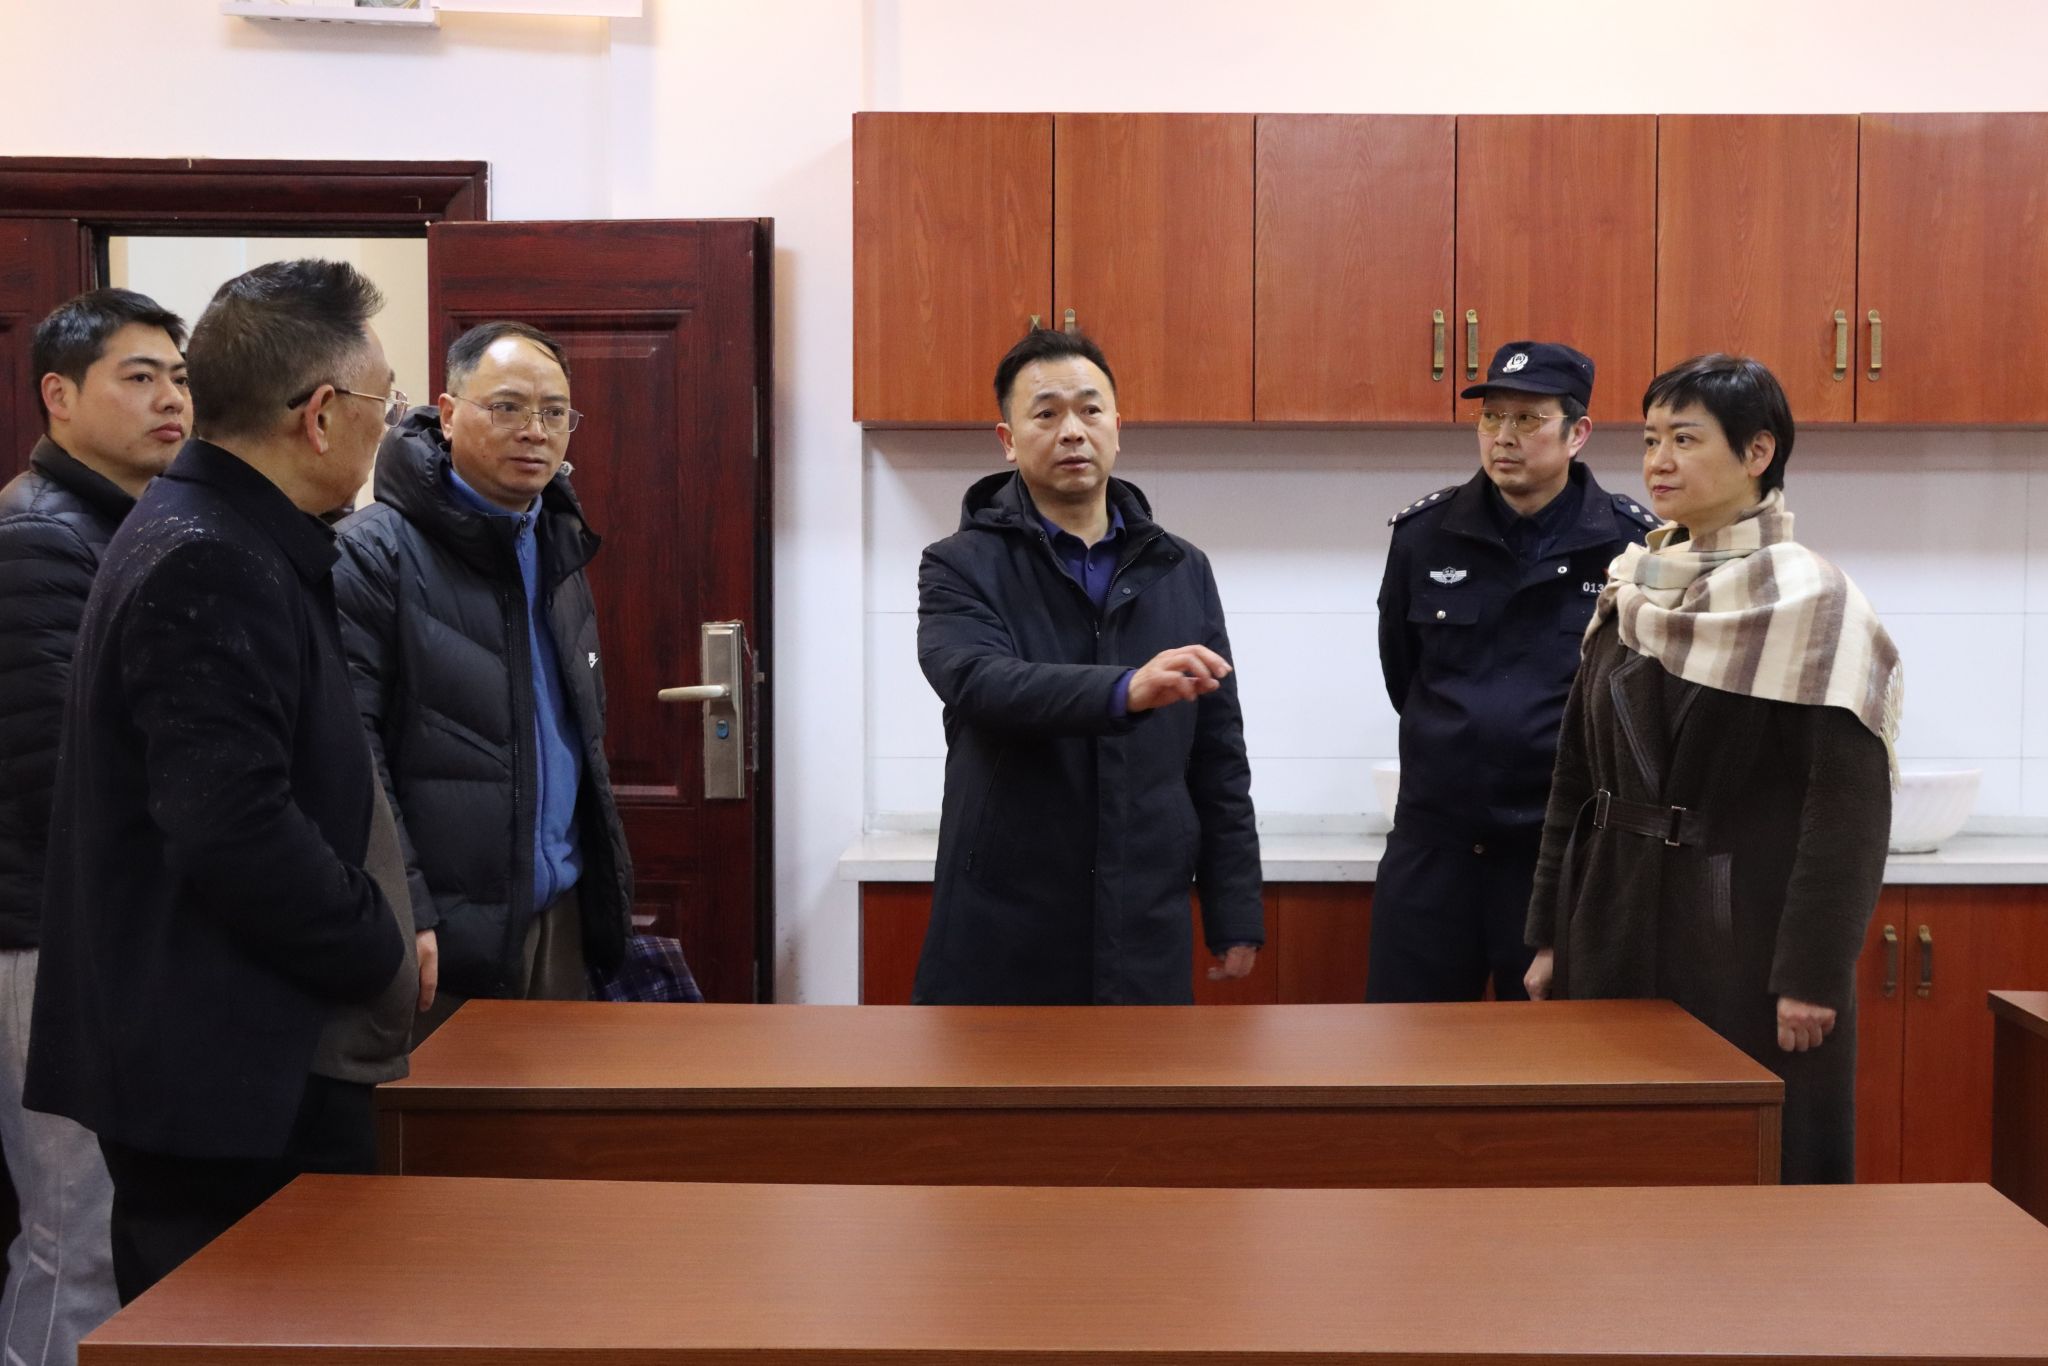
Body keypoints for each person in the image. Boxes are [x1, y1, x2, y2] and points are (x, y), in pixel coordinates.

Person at [24, 260, 416, 1301]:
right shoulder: (210, 552)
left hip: (228, 1054)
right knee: (257, 1328)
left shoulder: (220, 527)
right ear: (321, 415)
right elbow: (232, 827)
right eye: (384, 402)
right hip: (226, 1069)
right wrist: (371, 942)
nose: (389, 425)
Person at [1524, 353, 1899, 1185]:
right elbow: (1574, 779)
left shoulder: (1814, 605)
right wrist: (1549, 932)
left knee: (1752, 1173)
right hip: (1610, 921)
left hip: (1742, 938)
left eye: (1685, 439)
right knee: (1614, 1171)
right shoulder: (1631, 589)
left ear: (1757, 452)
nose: (1658, 461)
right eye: (1650, 439)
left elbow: (1846, 813)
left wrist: (1812, 975)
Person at [912, 328, 1261, 1005]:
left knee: (1141, 1079)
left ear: (1117, 428)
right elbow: (979, 682)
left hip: (1144, 918)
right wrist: (1125, 689)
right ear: (1008, 439)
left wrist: (1235, 908)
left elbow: (1219, 752)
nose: (1072, 430)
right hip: (1006, 921)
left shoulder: (1181, 568)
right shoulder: (959, 564)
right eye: (1046, 413)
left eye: (1090, 410)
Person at [334, 321, 631, 1028]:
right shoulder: (372, 554)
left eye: (554, 413)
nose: (534, 431)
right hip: (440, 934)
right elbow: (354, 757)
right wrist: (406, 908)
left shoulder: (556, 542)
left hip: (558, 913)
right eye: (506, 407)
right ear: (447, 412)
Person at [0, 289, 187, 1363]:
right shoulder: (38, 536)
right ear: (59, 396)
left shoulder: (121, 525)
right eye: (139, 376)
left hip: (96, 927)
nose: (171, 400)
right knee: (74, 1235)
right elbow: (57, 774)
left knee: (109, 1230)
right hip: (47, 932)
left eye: (180, 378)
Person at [1369, 341, 1657, 1003]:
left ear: (1577, 433)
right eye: (1491, 417)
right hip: (1434, 851)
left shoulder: (1632, 546)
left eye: (1528, 419)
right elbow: (1403, 676)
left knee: (1555, 1055)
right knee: (1406, 1050)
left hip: (1557, 857)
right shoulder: (1425, 535)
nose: (1503, 437)